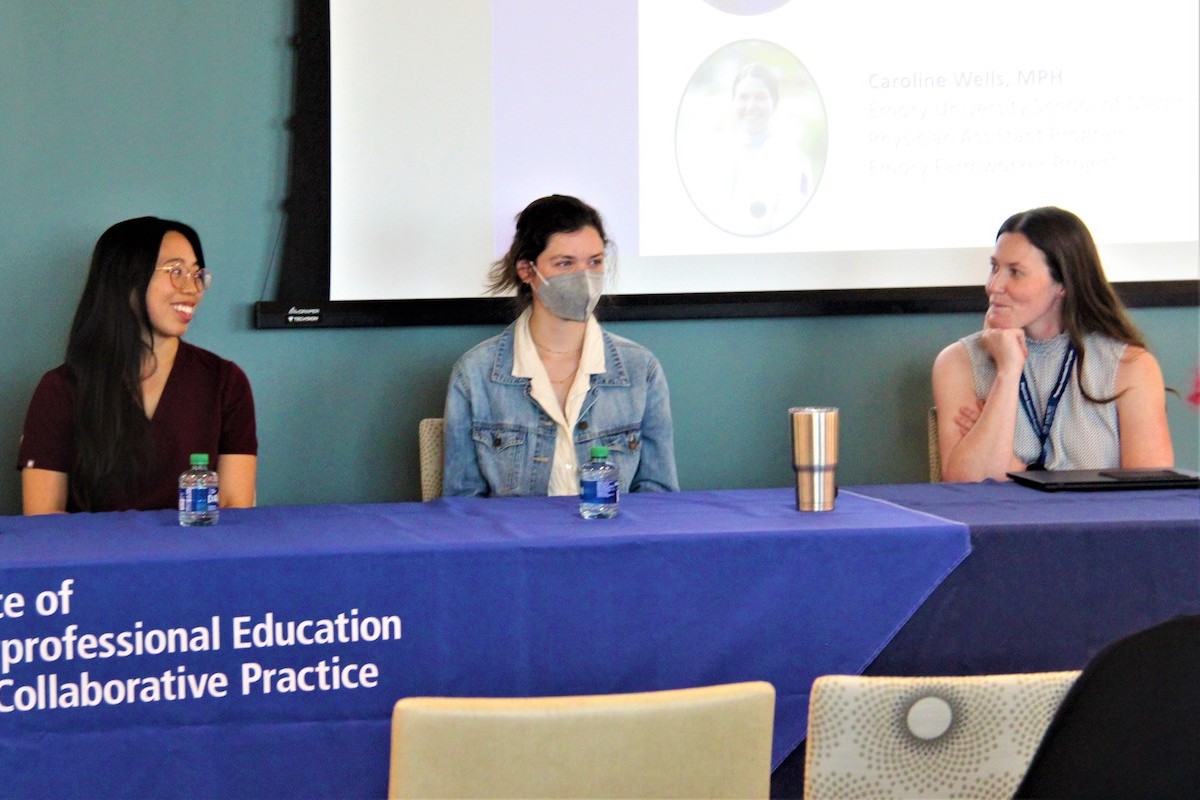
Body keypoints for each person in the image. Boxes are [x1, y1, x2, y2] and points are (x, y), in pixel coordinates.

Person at [442, 194, 678, 497]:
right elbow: (462, 506)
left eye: (594, 261)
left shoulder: (640, 369)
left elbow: (660, 498)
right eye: (565, 263)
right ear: (527, 270)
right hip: (516, 542)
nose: (584, 277)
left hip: (611, 541)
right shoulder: (475, 373)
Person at [17, 217, 257, 513]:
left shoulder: (224, 381)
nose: (192, 288)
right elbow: (44, 518)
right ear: (126, 277)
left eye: (197, 274)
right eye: (176, 271)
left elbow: (235, 508)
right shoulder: (62, 389)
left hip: (195, 557)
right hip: (95, 558)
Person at [932, 206, 1173, 482]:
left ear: (1062, 284)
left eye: (1016, 272)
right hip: (999, 525)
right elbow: (966, 488)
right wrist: (1008, 373)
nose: (994, 286)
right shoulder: (958, 362)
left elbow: (1151, 495)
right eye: (995, 267)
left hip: (1096, 526)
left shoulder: (1131, 366)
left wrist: (1014, 468)